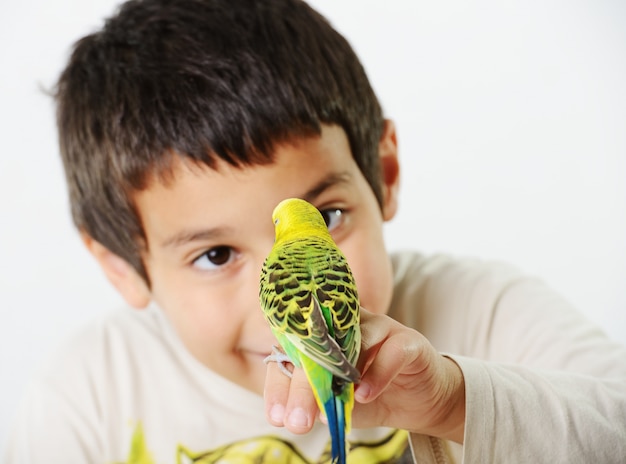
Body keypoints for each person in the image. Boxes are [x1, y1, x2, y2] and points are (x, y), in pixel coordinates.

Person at [4, 0, 626, 462]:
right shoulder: (85, 394)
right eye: (215, 254)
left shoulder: (486, 310)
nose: (269, 291)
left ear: (382, 175)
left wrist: (454, 404)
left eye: (327, 217)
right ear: (121, 266)